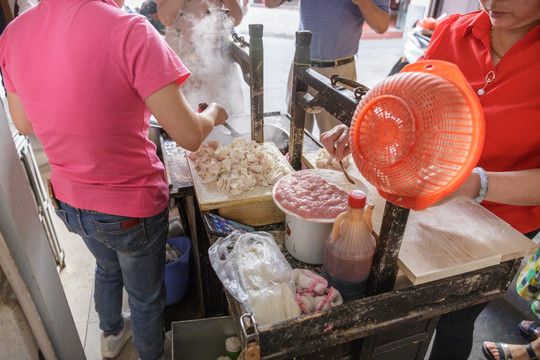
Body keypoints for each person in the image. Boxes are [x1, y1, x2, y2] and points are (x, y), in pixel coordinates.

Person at [0, 0, 228, 359]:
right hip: (129, 208)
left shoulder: (13, 34)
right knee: (145, 295)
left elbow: (25, 124)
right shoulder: (130, 30)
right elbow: (188, 135)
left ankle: (110, 335)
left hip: (70, 203)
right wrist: (213, 113)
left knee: (106, 266)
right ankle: (151, 353)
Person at [320, 1, 540, 359]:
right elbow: (411, 106)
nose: (494, 2)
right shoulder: (453, 31)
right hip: (432, 200)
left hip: (504, 222)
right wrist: (365, 131)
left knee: (455, 319)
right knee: (407, 302)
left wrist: (474, 185)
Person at [264, 0, 391, 136]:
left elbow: (382, 25)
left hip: (338, 73)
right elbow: (270, 3)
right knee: (295, 136)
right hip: (301, 64)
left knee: (335, 143)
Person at [154, 0, 245, 114]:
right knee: (183, 113)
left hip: (215, 57)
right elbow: (166, 17)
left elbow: (236, 17)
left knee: (223, 113)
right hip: (181, 58)